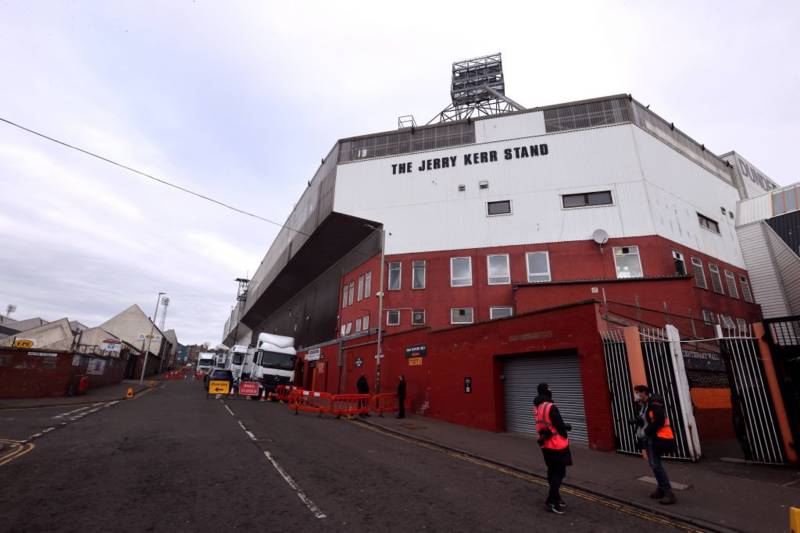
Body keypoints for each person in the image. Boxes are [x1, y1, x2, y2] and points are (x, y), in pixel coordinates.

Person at [633, 384, 677, 505]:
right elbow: (646, 420)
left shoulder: (654, 404)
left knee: (656, 465)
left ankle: (669, 493)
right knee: (653, 464)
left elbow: (659, 421)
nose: (636, 395)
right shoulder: (643, 405)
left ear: (644, 393)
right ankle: (661, 489)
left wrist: (646, 431)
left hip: (656, 438)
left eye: (638, 393)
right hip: (649, 438)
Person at [534, 383, 572, 515]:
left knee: (552, 471)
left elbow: (544, 424)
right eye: (549, 388)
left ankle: (556, 497)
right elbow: (559, 425)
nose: (551, 390)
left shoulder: (537, 406)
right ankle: (551, 501)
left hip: (545, 445)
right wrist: (564, 432)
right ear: (546, 391)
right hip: (557, 445)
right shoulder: (551, 407)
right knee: (559, 473)